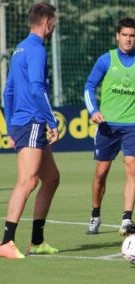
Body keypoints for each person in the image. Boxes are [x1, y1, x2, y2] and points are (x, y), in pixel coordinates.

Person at [83, 17, 135, 235]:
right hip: (107, 125)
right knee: (101, 172)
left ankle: (127, 219)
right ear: (117, 36)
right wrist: (93, 110)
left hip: (134, 125)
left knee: (132, 167)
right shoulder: (106, 60)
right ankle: (95, 214)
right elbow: (89, 86)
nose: (128, 39)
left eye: (132, 35)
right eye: (124, 35)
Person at [0, 2, 60, 259]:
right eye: (54, 22)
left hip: (22, 122)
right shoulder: (36, 49)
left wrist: (11, 126)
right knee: (27, 181)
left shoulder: (19, 49)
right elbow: (37, 89)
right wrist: (52, 121)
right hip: (33, 121)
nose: (54, 26)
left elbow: (7, 91)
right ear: (47, 22)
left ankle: (37, 241)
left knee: (51, 178)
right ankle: (6, 242)